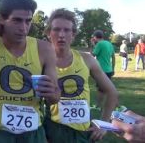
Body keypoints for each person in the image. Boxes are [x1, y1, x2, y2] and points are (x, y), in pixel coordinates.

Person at [0, 0, 60, 143]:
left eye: (28, 21)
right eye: (17, 20)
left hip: (32, 132)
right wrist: (2, 27)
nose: (23, 28)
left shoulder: (44, 49)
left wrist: (50, 92)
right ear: (2, 19)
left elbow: (55, 97)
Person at [43, 8, 118, 142]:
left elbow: (111, 91)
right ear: (49, 33)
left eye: (66, 30)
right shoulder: (40, 61)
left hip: (82, 131)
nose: (61, 35)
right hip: (52, 129)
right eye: (56, 29)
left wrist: (104, 125)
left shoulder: (86, 60)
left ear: (73, 34)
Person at [91, 30, 115, 108]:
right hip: (109, 69)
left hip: (102, 70)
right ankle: (117, 105)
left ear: (95, 37)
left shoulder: (99, 44)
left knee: (101, 89)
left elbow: (93, 55)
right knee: (109, 88)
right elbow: (113, 57)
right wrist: (113, 68)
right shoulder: (109, 43)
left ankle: (98, 106)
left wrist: (92, 44)